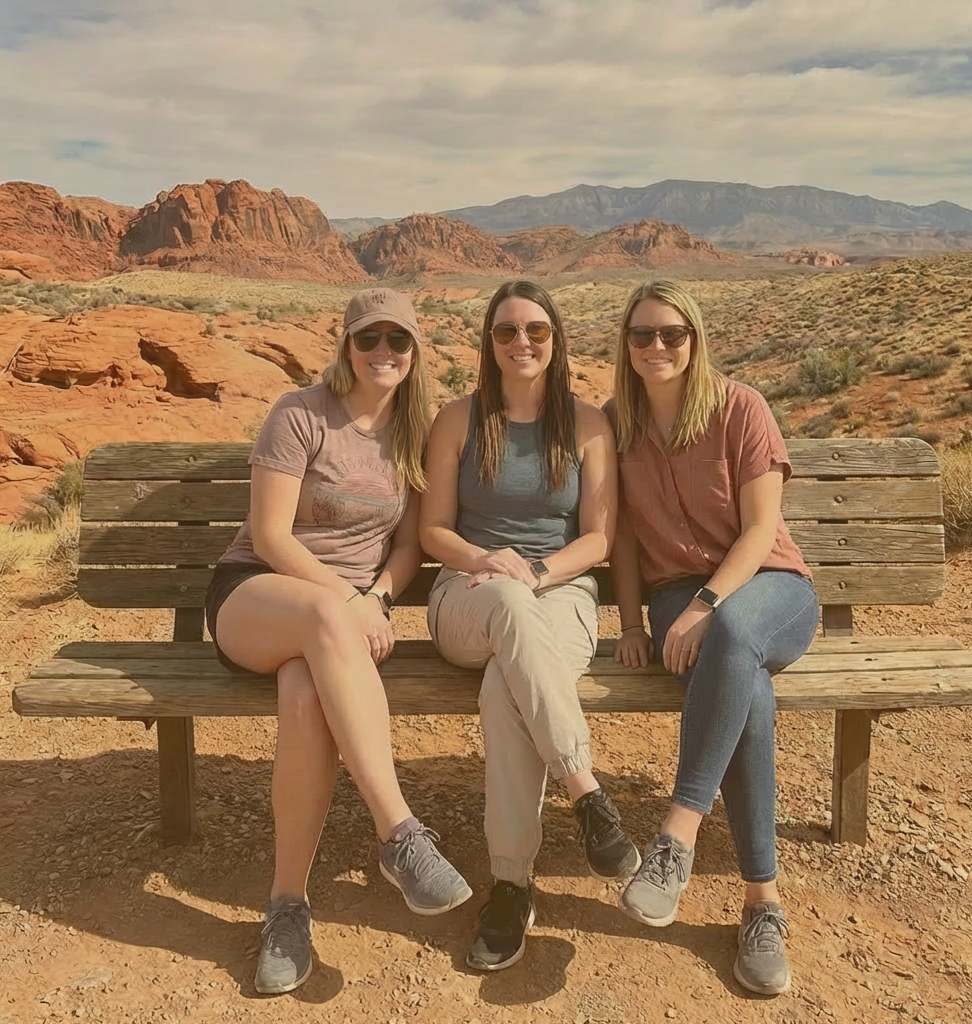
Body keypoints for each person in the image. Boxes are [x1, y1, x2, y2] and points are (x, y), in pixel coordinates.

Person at [205, 288, 471, 996]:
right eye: (368, 338)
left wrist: (378, 595)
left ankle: (286, 906)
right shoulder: (299, 414)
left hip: (341, 624)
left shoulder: (412, 434)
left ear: (416, 353)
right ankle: (399, 833)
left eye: (399, 340)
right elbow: (269, 536)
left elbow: (411, 546)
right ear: (345, 345)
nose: (383, 352)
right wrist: (348, 601)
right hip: (256, 595)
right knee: (322, 624)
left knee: (303, 699)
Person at [607, 280, 820, 996]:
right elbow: (626, 541)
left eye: (672, 333)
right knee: (742, 679)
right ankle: (764, 902)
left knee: (733, 633)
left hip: (774, 591)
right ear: (626, 346)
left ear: (695, 339)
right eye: (643, 335)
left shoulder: (739, 408)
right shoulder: (617, 424)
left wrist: (706, 602)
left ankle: (677, 836)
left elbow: (762, 530)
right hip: (678, 603)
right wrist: (635, 623)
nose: (657, 346)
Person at [420, 280, 639, 972]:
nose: (521, 342)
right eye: (507, 330)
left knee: (504, 690)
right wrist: (489, 559)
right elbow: (432, 530)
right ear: (489, 342)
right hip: (468, 593)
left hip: (562, 595)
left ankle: (511, 884)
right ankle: (587, 794)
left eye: (536, 331)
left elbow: (600, 538)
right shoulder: (458, 419)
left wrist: (537, 573)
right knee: (509, 611)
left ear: (556, 340)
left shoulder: (589, 424)